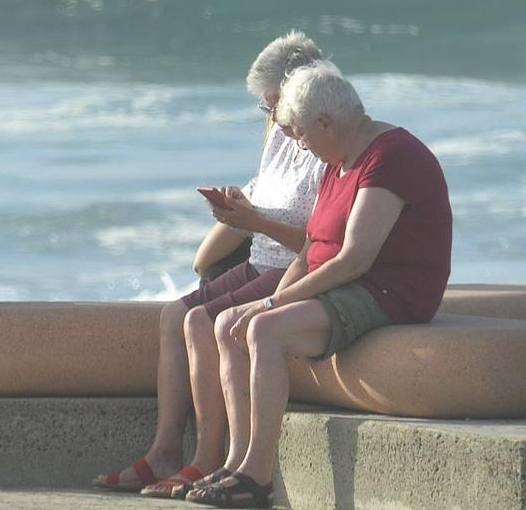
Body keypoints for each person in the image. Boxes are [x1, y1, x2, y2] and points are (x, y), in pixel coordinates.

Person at [182, 64, 453, 509]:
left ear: (326, 123)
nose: (300, 145)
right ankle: (235, 463)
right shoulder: (339, 158)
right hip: (345, 285)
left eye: (302, 135)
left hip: (385, 290)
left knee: (263, 329)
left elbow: (354, 260)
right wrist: (265, 301)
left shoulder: (390, 156)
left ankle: (257, 475)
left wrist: (272, 303)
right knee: (230, 321)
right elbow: (311, 249)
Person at [92, 32, 327, 497]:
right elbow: (264, 196)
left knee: (203, 321)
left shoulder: (322, 143)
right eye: (267, 108)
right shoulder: (281, 135)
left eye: (275, 104)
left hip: (292, 269)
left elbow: (319, 241)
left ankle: (207, 456)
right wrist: (234, 212)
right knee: (174, 314)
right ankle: (164, 450)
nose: (274, 117)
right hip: (260, 258)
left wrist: (253, 218)